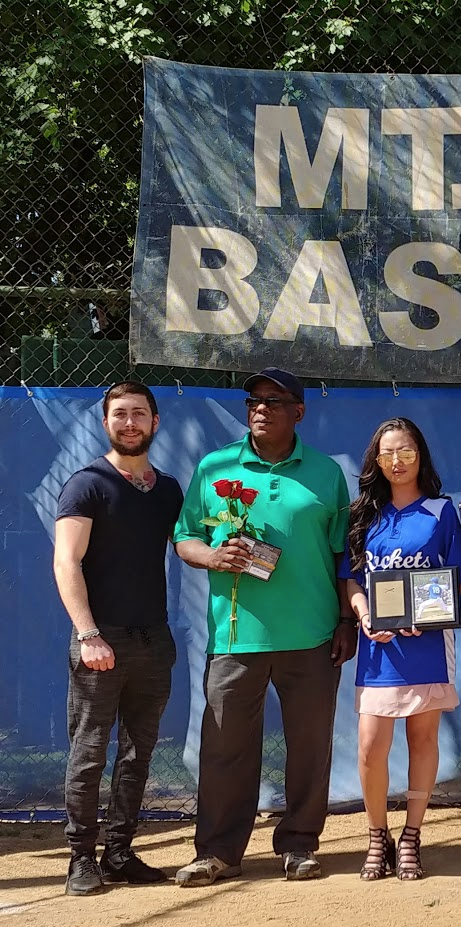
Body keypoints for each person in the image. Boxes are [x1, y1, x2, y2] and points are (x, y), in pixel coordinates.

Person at [171, 368, 356, 885]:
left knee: (310, 747)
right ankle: (218, 851)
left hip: (314, 634)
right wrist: (212, 556)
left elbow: (344, 554)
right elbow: (184, 536)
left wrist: (345, 619)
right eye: (254, 400)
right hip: (235, 635)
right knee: (225, 746)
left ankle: (299, 845)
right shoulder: (215, 467)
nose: (261, 408)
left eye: (275, 401)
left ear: (299, 411)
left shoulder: (325, 473)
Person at [53, 382, 185, 895]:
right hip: (99, 641)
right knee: (88, 752)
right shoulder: (86, 484)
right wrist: (88, 634)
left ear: (155, 422)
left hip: (154, 639)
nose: (129, 423)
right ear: (105, 423)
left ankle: (119, 852)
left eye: (138, 414)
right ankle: (80, 858)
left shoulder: (169, 490)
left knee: (139, 752)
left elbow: (194, 541)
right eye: (119, 415)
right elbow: (67, 561)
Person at [340, 418, 461, 882]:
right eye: (388, 453)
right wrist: (363, 612)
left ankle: (412, 835)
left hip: (427, 646)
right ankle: (378, 836)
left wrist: (424, 614)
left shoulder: (441, 511)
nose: (397, 461)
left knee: (423, 740)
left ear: (421, 456)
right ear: (376, 460)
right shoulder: (362, 514)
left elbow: (457, 580)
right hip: (378, 649)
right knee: (371, 746)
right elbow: (351, 577)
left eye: (407, 452)